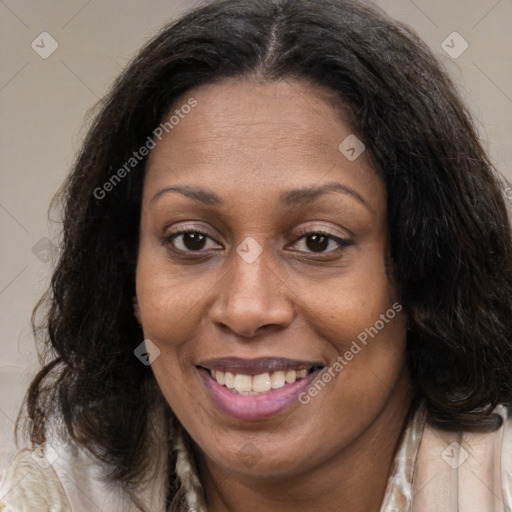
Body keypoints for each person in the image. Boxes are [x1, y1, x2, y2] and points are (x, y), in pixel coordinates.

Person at [1, 0, 511, 510]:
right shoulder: (53, 498)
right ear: (127, 275)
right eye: (192, 240)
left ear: (423, 271)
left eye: (317, 241)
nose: (246, 309)